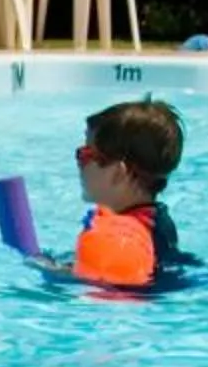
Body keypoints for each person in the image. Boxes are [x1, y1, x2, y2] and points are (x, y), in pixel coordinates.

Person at [59, 99, 187, 286]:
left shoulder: (122, 239)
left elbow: (113, 291)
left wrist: (52, 272)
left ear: (119, 172)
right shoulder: (155, 222)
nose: (79, 163)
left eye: (86, 155)